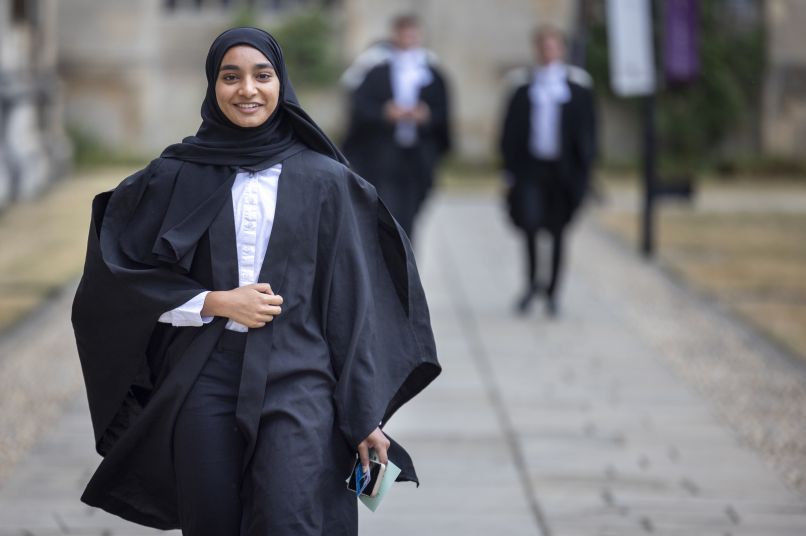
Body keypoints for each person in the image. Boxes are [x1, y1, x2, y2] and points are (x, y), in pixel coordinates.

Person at [71, 27, 440, 536]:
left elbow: (353, 307)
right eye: (231, 77)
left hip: (300, 374)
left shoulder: (325, 181)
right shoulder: (175, 174)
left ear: (280, 83)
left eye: (261, 75)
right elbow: (117, 277)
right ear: (213, 86)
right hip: (205, 375)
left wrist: (364, 416)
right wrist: (213, 301)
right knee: (211, 521)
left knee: (293, 517)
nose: (247, 90)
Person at [499, 25, 596, 316]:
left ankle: (553, 291)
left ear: (561, 50)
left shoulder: (577, 90)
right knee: (529, 224)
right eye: (544, 47)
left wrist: (584, 172)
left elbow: (588, 134)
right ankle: (531, 284)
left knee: (557, 230)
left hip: (563, 171)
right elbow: (510, 132)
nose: (548, 52)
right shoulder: (523, 88)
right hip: (530, 168)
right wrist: (508, 169)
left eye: (553, 46)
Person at [341, 14, 451, 241]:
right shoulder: (377, 71)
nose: (408, 38)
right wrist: (385, 112)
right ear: (395, 35)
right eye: (404, 33)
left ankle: (406, 261)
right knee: (389, 211)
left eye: (412, 33)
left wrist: (426, 115)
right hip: (385, 156)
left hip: (418, 157)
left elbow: (443, 111)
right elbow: (360, 107)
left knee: (413, 212)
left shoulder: (432, 73)